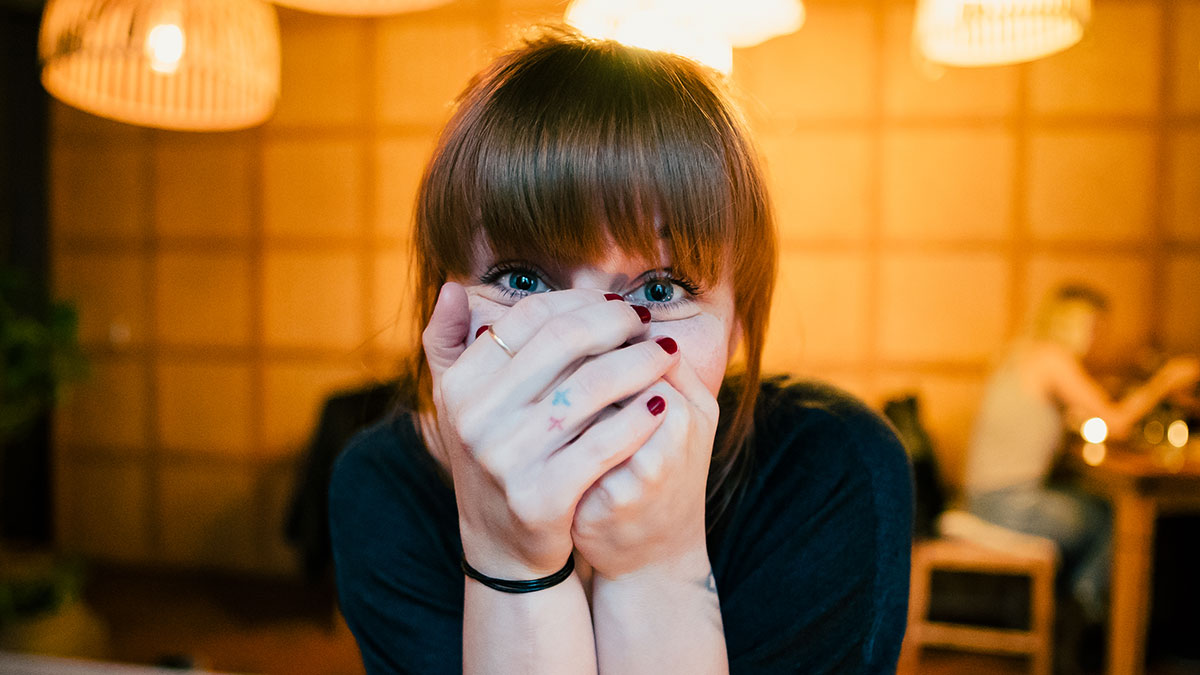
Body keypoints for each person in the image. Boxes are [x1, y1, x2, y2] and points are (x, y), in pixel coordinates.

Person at [328, 28, 913, 674]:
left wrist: (657, 566)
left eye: (661, 288)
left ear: (736, 326)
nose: (586, 339)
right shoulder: (385, 486)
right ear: (447, 306)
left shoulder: (829, 472)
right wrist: (508, 557)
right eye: (523, 279)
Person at [963, 284, 1200, 625]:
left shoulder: (1022, 355)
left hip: (986, 498)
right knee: (1114, 518)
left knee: (1095, 508)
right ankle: (1083, 613)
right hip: (1012, 504)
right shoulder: (1052, 359)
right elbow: (1113, 423)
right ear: (1076, 325)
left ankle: (1074, 610)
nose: (1101, 339)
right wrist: (1164, 381)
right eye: (1097, 328)